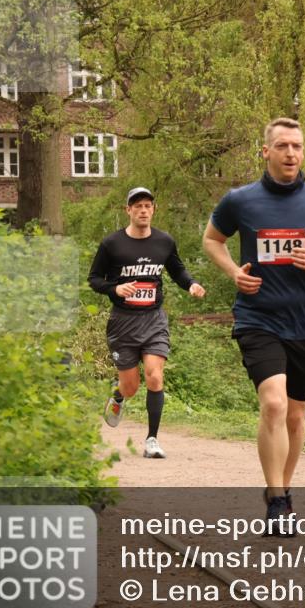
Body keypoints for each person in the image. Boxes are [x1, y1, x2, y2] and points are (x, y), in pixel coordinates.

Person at [202, 117, 305, 533]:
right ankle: (278, 498)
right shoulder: (240, 200)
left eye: (298, 146)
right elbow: (211, 239)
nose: (291, 153)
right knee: (274, 403)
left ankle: (281, 492)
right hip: (257, 317)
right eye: (283, 146)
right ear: (265, 151)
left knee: (296, 414)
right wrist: (234, 272)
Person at [88, 187, 206, 458]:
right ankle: (118, 395)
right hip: (123, 322)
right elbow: (94, 279)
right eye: (137, 206)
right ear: (127, 210)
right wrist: (115, 289)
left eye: (147, 206)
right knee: (131, 387)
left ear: (153, 210)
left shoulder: (164, 241)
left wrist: (192, 284)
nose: (143, 210)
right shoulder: (112, 244)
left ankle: (152, 439)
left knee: (155, 375)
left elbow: (177, 270)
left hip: (153, 319)